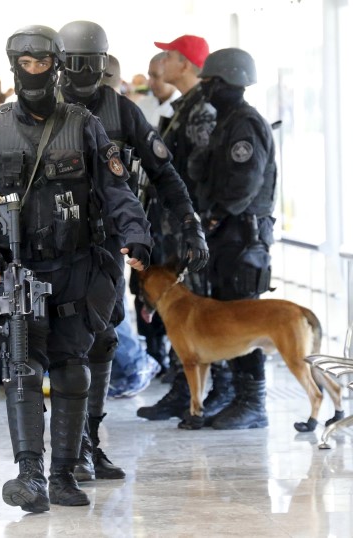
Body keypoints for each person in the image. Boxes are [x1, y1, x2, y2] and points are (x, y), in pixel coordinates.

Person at [0, 25, 152, 512]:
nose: (34, 72)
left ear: (57, 64)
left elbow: (117, 191)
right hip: (20, 269)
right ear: (12, 66)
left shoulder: (85, 123)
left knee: (71, 372)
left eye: (42, 62)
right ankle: (30, 476)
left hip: (77, 266)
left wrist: (136, 235)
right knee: (22, 370)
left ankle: (64, 474)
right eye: (24, 63)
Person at [57, 20, 208, 482]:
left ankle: (89, 442)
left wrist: (189, 222)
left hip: (106, 241)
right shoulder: (38, 107)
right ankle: (59, 454)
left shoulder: (122, 111)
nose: (83, 71)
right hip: (49, 246)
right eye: (75, 62)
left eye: (92, 63)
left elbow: (164, 173)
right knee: (62, 349)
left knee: (102, 338)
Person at [137, 34, 225, 423]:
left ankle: (209, 392)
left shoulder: (201, 110)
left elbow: (203, 173)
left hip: (189, 228)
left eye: (169, 56)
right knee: (179, 316)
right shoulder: (184, 106)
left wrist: (197, 223)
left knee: (197, 314)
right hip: (174, 225)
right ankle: (184, 387)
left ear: (186, 64)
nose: (162, 62)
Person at [189, 48, 276, 430]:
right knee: (226, 317)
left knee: (244, 320)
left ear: (226, 83)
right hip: (227, 235)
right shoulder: (227, 121)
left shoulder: (244, 123)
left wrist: (217, 214)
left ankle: (252, 401)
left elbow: (244, 183)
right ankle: (232, 393)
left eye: (209, 83)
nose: (204, 89)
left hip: (243, 236)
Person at [136, 52, 180, 127]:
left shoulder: (182, 110)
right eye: (150, 76)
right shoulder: (141, 105)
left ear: (171, 74)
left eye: (156, 76)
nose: (150, 83)